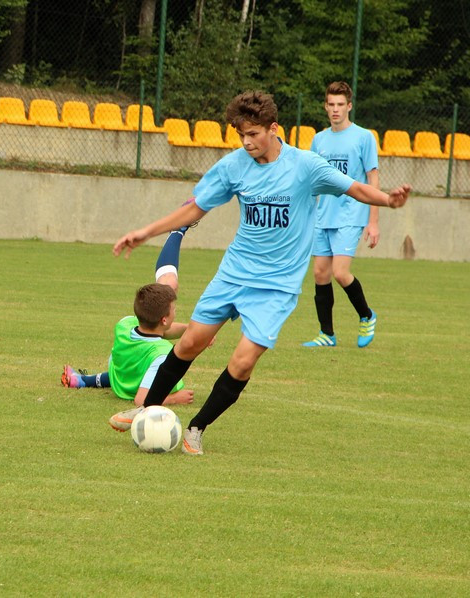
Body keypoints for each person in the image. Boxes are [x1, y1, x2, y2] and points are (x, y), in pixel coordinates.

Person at [108, 91, 410, 456]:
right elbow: (194, 209)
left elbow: (355, 187)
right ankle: (145, 410)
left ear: (273, 128)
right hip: (234, 273)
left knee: (243, 361)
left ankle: (197, 428)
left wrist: (388, 201)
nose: (247, 142)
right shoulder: (234, 166)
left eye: (253, 134)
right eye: (241, 135)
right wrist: (146, 232)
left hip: (277, 287)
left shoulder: (305, 166)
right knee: (189, 343)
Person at [62, 220, 196, 411]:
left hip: (120, 377)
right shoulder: (163, 352)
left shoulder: (125, 323)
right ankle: (177, 231)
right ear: (164, 319)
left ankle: (84, 380)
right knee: (150, 362)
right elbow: (141, 400)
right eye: (174, 310)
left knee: (134, 356)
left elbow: (162, 331)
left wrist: (192, 330)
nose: (176, 311)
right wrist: (175, 398)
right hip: (134, 388)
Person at [302, 81, 381, 348]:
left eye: (340, 104)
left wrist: (373, 222)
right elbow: (311, 179)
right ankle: (327, 334)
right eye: (331, 104)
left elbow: (373, 179)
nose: (335, 109)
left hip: (351, 215)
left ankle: (367, 315)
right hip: (323, 216)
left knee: (340, 272)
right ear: (325, 107)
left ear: (349, 106)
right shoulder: (319, 139)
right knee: (320, 274)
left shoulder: (364, 137)